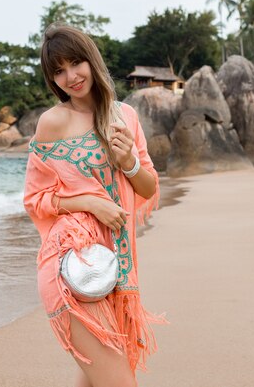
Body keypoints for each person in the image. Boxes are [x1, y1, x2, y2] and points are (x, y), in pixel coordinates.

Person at [23, 24, 167, 387]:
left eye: (75, 63)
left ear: (91, 60)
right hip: (71, 265)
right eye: (58, 70)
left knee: (97, 380)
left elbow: (147, 187)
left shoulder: (125, 117)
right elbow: (35, 198)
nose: (70, 76)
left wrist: (129, 162)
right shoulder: (52, 123)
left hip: (114, 267)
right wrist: (88, 201)